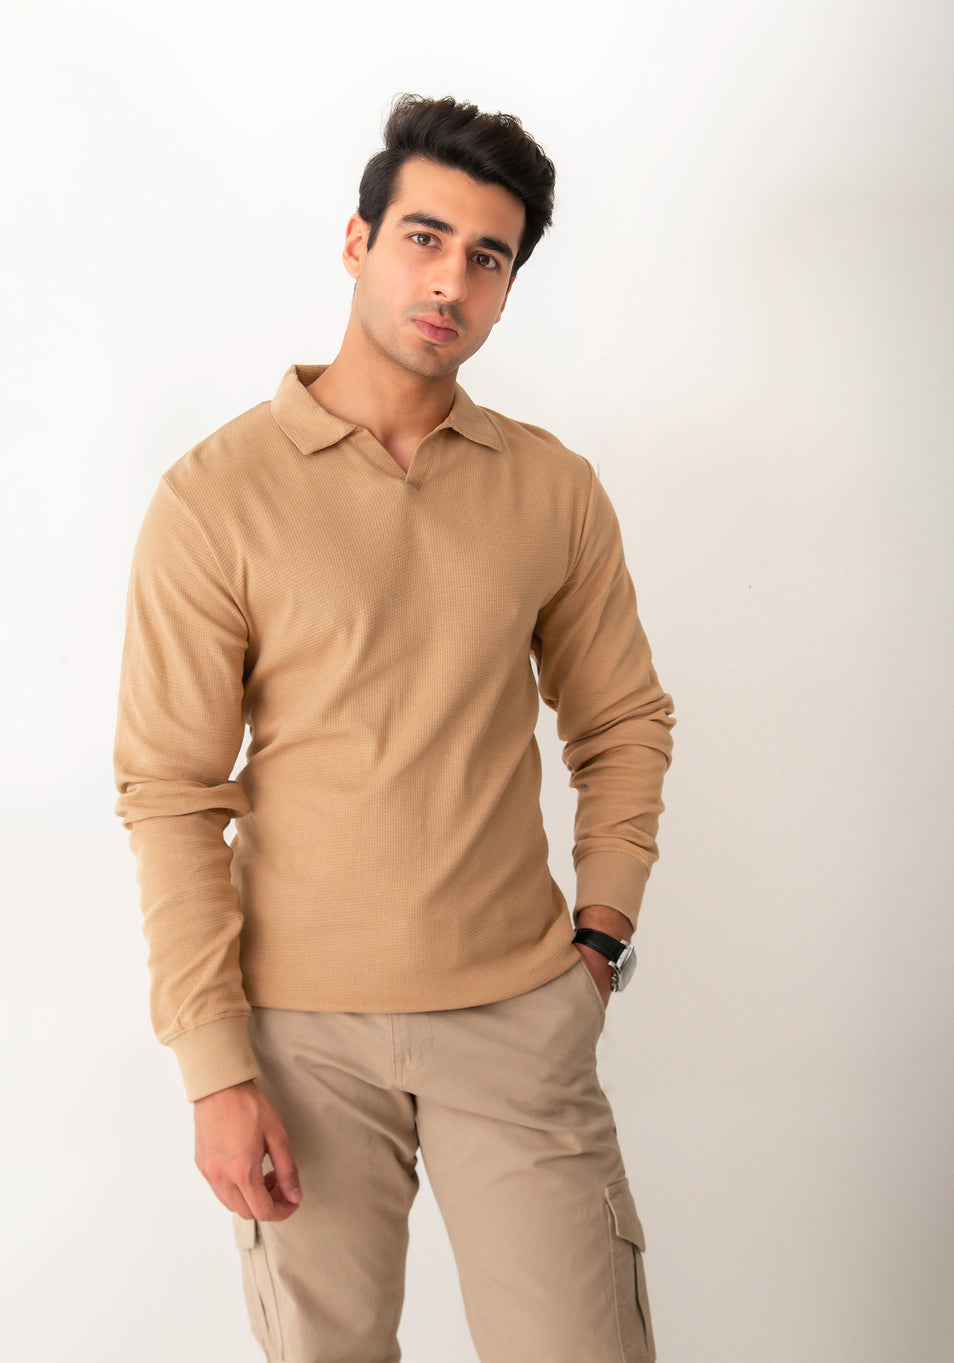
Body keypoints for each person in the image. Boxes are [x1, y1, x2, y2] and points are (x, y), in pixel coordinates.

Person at [113, 92, 675, 1363]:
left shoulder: (551, 488)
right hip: (298, 1039)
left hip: (519, 1016)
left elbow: (622, 719)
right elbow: (171, 793)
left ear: (508, 287)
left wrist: (601, 936)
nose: (449, 282)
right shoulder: (215, 497)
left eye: (488, 258)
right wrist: (214, 1065)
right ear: (357, 242)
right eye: (424, 238)